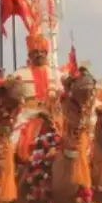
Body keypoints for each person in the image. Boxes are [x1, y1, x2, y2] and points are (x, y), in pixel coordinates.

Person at [10, 30, 62, 158]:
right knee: (12, 141)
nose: (39, 54)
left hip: (54, 117)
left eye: (41, 52)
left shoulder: (57, 74)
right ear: (30, 55)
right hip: (28, 115)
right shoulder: (19, 74)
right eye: (35, 52)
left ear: (46, 53)